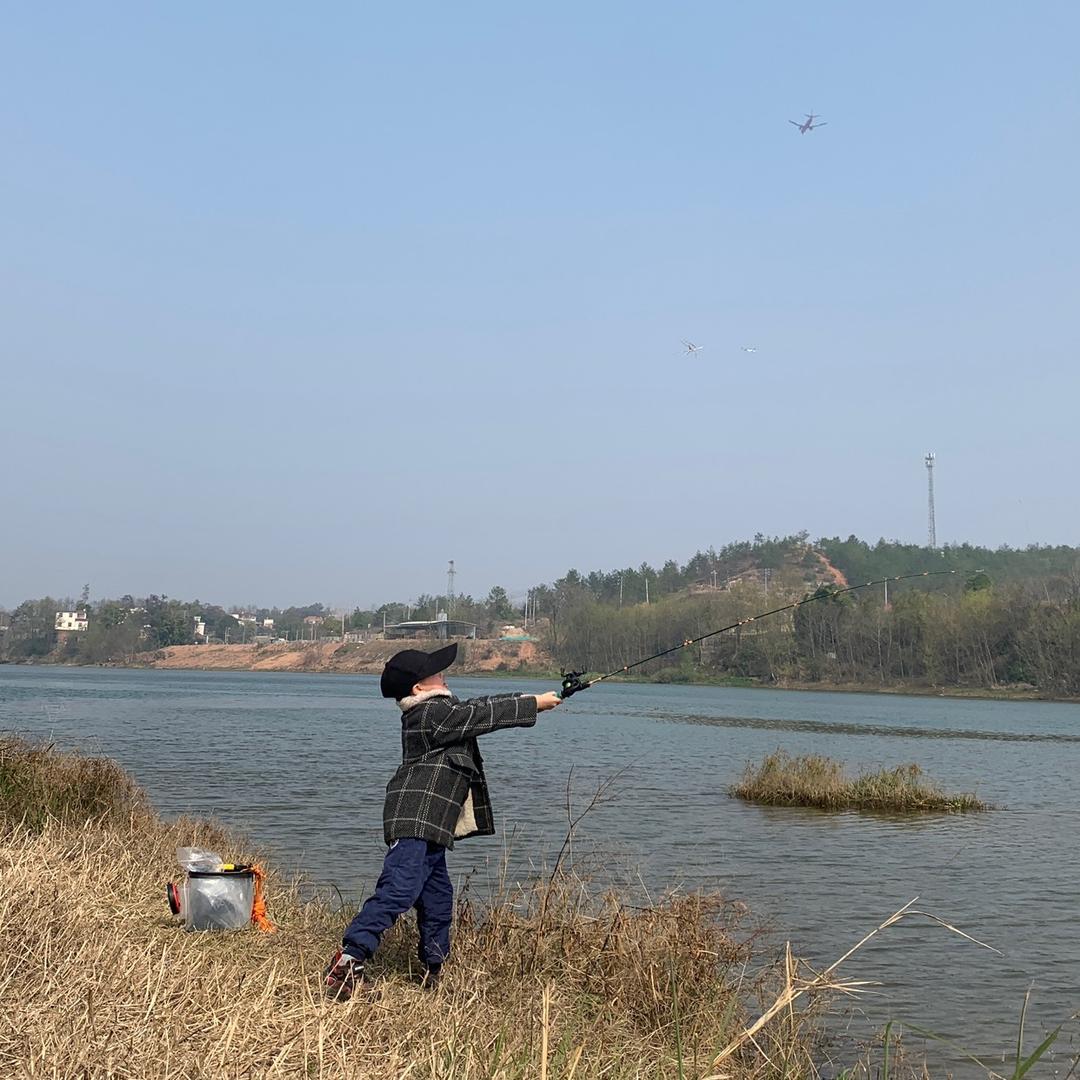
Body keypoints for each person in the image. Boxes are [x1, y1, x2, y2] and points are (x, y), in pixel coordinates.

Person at [324, 642, 562, 998]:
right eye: (435, 673)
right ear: (419, 688)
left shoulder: (439, 712)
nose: (443, 674)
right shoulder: (430, 715)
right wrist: (535, 704)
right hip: (414, 821)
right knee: (399, 889)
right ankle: (347, 962)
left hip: (432, 824)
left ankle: (434, 973)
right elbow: (480, 714)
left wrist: (534, 698)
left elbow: (478, 708)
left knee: (437, 899)